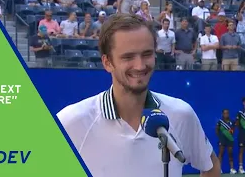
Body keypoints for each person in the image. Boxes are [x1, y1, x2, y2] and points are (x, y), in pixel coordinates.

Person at [57, 13, 220, 177]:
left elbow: (210, 166)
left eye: (147, 54)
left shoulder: (181, 114)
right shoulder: (72, 121)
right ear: (107, 63)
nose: (140, 65)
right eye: (128, 57)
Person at [216, 109, 237, 174]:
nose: (226, 114)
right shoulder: (220, 122)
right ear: (222, 114)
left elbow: (233, 130)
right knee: (220, 154)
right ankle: (219, 169)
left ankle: (231, 169)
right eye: (224, 113)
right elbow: (217, 131)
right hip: (222, 140)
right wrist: (221, 137)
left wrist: (229, 134)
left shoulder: (232, 121)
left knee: (230, 154)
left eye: (227, 113)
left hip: (229, 140)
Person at [235, 97, 245, 174]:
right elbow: (237, 124)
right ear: (243, 103)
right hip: (242, 135)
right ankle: (240, 167)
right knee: (241, 150)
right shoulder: (240, 113)